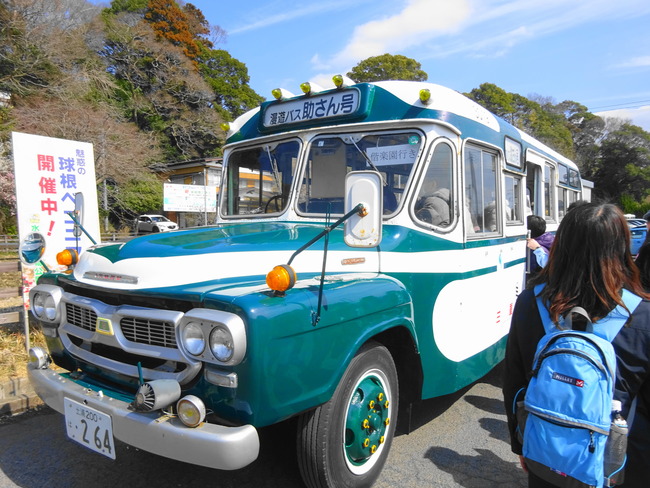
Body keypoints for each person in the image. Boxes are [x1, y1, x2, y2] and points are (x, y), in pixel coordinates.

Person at [503, 203, 650, 488]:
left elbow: (515, 382)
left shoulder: (532, 303)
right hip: (620, 465)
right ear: (621, 247)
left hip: (547, 455)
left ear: (562, 243)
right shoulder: (641, 315)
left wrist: (521, 443)